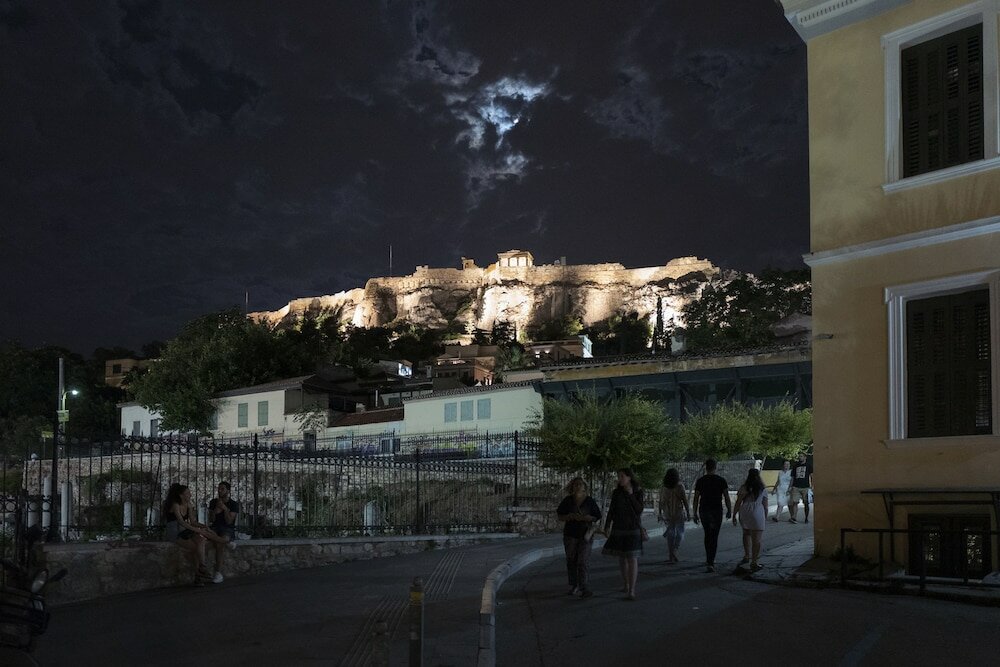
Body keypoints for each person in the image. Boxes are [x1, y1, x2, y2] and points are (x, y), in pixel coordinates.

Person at [602, 468, 645, 600]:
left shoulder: (638, 491)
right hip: (619, 527)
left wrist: (631, 495)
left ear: (629, 477)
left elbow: (639, 510)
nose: (619, 479)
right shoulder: (616, 493)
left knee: (632, 558)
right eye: (618, 476)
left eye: (622, 476)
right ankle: (626, 584)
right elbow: (612, 510)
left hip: (633, 528)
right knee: (622, 557)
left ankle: (631, 590)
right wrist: (607, 525)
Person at [556, 477, 602, 598]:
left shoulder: (590, 501)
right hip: (570, 534)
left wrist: (588, 518)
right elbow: (560, 516)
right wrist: (569, 516)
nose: (578, 486)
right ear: (572, 486)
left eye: (580, 484)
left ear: (584, 486)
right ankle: (574, 585)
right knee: (571, 560)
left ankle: (584, 586)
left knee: (583, 561)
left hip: (585, 534)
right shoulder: (567, 501)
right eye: (575, 484)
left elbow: (597, 516)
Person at [163, 483, 213, 585]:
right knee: (195, 548)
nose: (190, 495)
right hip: (175, 532)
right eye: (188, 493)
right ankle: (198, 575)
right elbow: (181, 521)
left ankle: (202, 567)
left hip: (184, 531)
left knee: (201, 540)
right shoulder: (175, 505)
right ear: (181, 495)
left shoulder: (189, 505)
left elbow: (193, 521)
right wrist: (198, 530)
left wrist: (204, 526)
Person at [692, 459, 731, 573]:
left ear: (706, 467)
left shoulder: (700, 481)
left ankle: (709, 559)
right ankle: (711, 561)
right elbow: (726, 496)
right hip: (716, 510)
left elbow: (696, 498)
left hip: (704, 510)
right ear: (715, 467)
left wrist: (694, 513)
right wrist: (729, 509)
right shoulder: (721, 480)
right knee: (714, 535)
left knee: (707, 534)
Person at [733, 469, 769, 571]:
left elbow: (738, 502)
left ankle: (746, 555)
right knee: (757, 539)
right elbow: (765, 506)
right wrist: (764, 517)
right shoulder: (762, 488)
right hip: (757, 511)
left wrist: (734, 515)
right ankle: (754, 561)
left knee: (746, 533)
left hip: (745, 511)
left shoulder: (744, 487)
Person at [207, 481, 239, 583]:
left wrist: (225, 509)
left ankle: (218, 573)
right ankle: (228, 543)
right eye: (219, 488)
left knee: (220, 543)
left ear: (228, 491)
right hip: (214, 528)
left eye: (222, 489)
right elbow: (211, 519)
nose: (219, 491)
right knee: (219, 542)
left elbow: (229, 521)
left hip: (227, 528)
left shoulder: (233, 504)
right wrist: (216, 510)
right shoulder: (213, 502)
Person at [657, 468, 690, 563]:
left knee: (670, 534)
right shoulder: (680, 487)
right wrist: (688, 512)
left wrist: (659, 513)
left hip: (667, 513)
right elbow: (684, 501)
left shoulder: (664, 487)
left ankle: (671, 556)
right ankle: (675, 550)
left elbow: (661, 502)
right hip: (678, 512)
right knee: (680, 533)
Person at [788, 452, 813, 523]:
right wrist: (790, 486)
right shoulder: (795, 466)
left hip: (805, 487)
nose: (800, 457)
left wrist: (812, 486)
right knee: (795, 502)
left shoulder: (809, 466)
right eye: (799, 456)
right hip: (796, 487)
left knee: (806, 503)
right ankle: (794, 517)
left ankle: (806, 518)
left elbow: (812, 476)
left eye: (801, 456)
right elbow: (792, 477)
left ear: (805, 457)